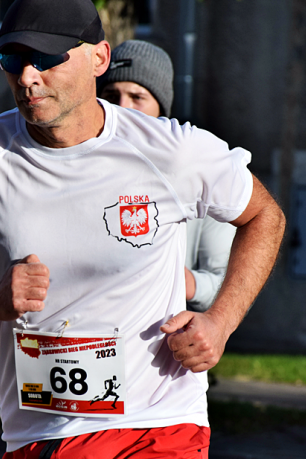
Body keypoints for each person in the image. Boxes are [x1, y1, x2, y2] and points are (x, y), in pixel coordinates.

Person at [0, 0, 285, 459]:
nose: (29, 76)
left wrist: (221, 322)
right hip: (43, 443)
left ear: (99, 58)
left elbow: (264, 217)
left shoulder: (169, 150)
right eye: (13, 59)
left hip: (159, 427)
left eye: (47, 57)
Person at [98, 39, 237, 311]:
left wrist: (183, 281)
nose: (122, 108)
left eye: (137, 97)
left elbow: (224, 284)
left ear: (162, 110)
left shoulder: (198, 174)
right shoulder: (78, 169)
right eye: (112, 97)